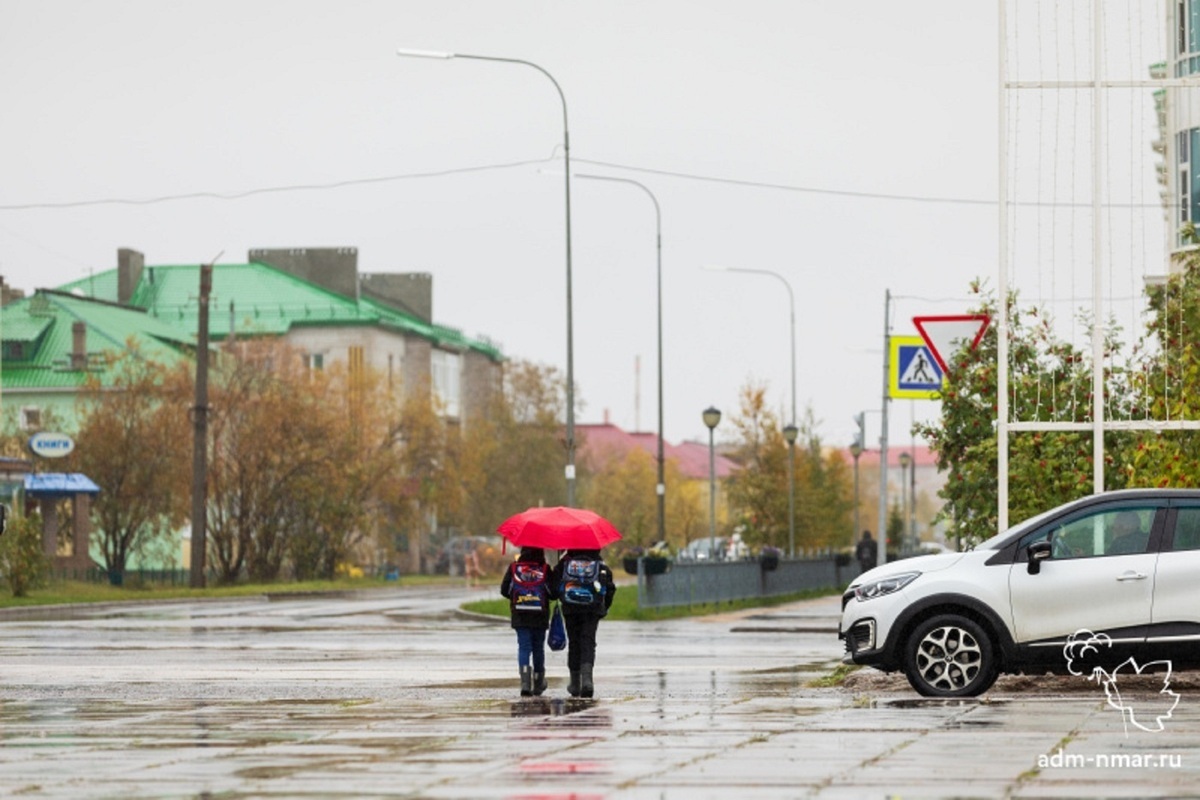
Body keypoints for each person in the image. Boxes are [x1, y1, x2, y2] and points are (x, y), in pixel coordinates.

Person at [551, 548, 617, 699]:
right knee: (588, 641)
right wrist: (604, 607)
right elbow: (610, 588)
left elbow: (554, 589)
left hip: (570, 608)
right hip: (592, 609)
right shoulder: (599, 564)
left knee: (574, 643)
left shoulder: (565, 563)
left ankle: (575, 683)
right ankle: (587, 681)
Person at [499, 546, 554, 697]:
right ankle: (538, 681)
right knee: (538, 648)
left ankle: (525, 683)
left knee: (524, 647)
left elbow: (504, 590)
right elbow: (553, 592)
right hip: (539, 615)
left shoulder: (514, 568)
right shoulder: (544, 569)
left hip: (520, 614)